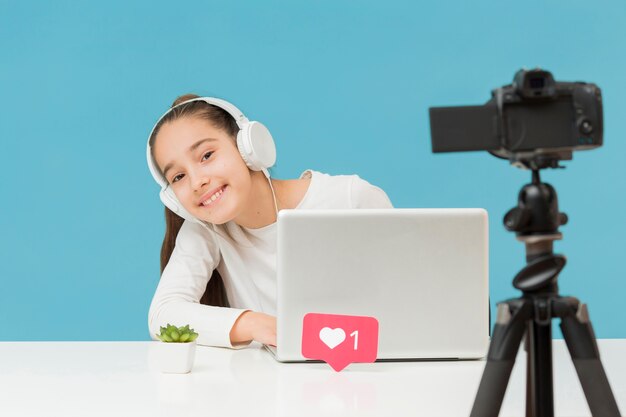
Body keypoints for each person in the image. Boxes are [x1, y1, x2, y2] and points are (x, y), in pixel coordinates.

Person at [147, 94, 393, 349]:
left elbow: (409, 296)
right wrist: (260, 326)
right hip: (272, 384)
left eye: (206, 155)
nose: (197, 182)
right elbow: (164, 314)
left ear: (247, 147)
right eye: (178, 177)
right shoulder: (205, 231)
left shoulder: (351, 198)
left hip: (371, 374)